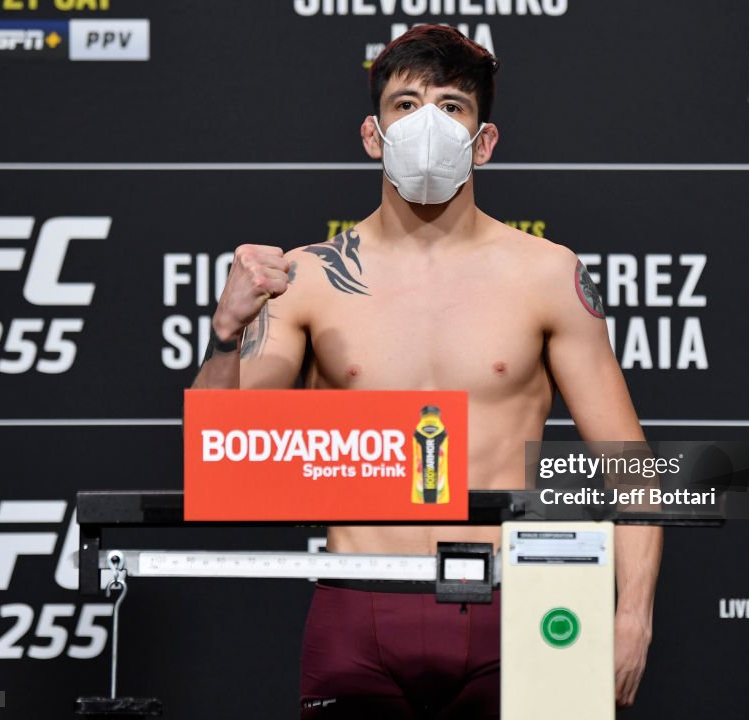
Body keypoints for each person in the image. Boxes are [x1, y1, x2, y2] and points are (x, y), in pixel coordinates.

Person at [192, 25, 661, 719]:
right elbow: (220, 464)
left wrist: (633, 616)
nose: (427, 123)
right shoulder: (306, 279)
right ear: (372, 135)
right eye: (406, 105)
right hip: (359, 605)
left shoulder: (547, 276)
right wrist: (225, 336)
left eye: (451, 105)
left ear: (484, 141)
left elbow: (631, 466)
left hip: (520, 601)